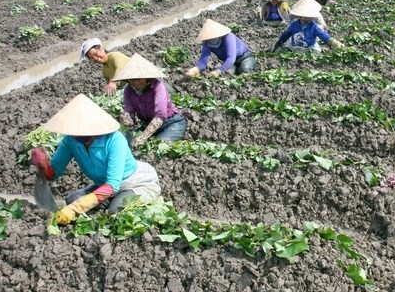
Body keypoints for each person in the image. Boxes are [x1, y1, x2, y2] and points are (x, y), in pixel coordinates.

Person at [29, 94, 161, 225]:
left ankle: (136, 198)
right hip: (104, 185)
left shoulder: (115, 140)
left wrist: (75, 209)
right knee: (72, 199)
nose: (75, 133)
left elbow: (112, 185)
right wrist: (44, 165)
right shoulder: (71, 141)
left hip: (135, 183)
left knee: (115, 211)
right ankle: (108, 202)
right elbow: (53, 174)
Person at [112, 54, 187, 147]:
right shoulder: (128, 90)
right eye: (132, 80)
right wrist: (127, 118)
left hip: (171, 123)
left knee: (158, 145)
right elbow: (129, 111)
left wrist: (143, 137)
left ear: (146, 77)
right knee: (127, 143)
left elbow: (160, 115)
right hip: (147, 124)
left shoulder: (157, 86)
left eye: (138, 79)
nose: (135, 82)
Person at [268, 0, 344, 53]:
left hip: (309, 47)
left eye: (309, 16)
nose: (307, 18)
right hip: (294, 46)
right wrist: (280, 41)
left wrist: (332, 41)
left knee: (316, 53)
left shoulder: (314, 27)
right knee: (284, 50)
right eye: (305, 16)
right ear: (300, 15)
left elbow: (323, 35)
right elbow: (286, 34)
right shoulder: (293, 25)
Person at [186, 19, 256, 78]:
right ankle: (236, 69)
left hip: (244, 57)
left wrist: (218, 71)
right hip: (231, 63)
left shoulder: (228, 37)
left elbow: (231, 58)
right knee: (228, 74)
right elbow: (203, 62)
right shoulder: (207, 44)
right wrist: (196, 69)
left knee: (244, 69)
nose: (210, 39)